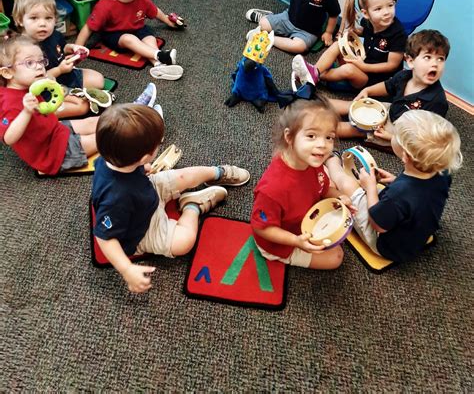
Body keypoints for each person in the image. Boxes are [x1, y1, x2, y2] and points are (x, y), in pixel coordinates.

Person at [92, 103, 251, 293]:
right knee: (184, 242)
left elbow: (123, 169)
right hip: (141, 230)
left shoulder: (109, 157)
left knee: (184, 175)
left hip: (145, 190)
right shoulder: (114, 200)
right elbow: (104, 238)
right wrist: (126, 268)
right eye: (158, 144)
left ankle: (217, 172)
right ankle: (193, 207)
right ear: (144, 156)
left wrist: (140, 169)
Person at [326, 110, 462, 262]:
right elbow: (420, 193)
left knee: (349, 185)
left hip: (386, 245)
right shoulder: (442, 173)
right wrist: (395, 180)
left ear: (405, 156)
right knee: (380, 192)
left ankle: (332, 161)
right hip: (414, 236)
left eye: (395, 135)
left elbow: (378, 225)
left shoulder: (399, 193)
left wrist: (370, 187)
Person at [250, 87, 351, 270]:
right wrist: (296, 241)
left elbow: (324, 188)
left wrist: (339, 198)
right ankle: (280, 257)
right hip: (279, 243)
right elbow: (261, 228)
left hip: (305, 218)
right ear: (289, 137)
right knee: (336, 257)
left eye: (329, 137)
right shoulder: (272, 189)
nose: (322, 145)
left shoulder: (312, 161)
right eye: (311, 136)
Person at [329, 29, 450, 145]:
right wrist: (368, 90)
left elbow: (425, 138)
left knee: (356, 128)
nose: (435, 64)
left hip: (399, 133)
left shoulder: (437, 101)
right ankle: (316, 105)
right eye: (428, 57)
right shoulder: (404, 76)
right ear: (410, 61)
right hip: (391, 110)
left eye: (440, 59)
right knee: (355, 105)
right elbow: (387, 86)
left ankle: (319, 128)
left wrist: (392, 138)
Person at [0, 35, 98, 175]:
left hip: (54, 129)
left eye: (41, 61)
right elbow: (9, 138)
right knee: (102, 139)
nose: (39, 66)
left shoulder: (29, 85)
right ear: (7, 72)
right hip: (51, 153)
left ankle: (124, 121)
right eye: (30, 63)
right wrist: (26, 112)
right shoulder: (9, 103)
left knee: (92, 122)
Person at [75, 0, 183, 80]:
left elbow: (154, 11)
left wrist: (168, 21)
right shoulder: (105, 5)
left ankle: (158, 65)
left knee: (149, 38)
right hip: (114, 34)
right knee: (129, 38)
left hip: (137, 27)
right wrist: (77, 50)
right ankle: (160, 55)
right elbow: (88, 28)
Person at [12, 0, 105, 118]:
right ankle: (40, 115)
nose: (43, 23)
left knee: (99, 80)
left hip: (64, 75)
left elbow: (62, 47)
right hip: (44, 90)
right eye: (34, 18)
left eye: (48, 18)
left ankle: (70, 93)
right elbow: (34, 82)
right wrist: (59, 70)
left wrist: (72, 48)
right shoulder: (23, 49)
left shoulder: (52, 34)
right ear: (20, 20)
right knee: (81, 107)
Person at [292, 0, 406, 90]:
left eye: (390, 5)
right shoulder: (369, 23)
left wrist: (364, 67)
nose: (386, 12)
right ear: (366, 14)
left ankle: (314, 75)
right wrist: (354, 31)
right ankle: (314, 71)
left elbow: (392, 65)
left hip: (373, 81)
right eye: (378, 9)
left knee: (348, 69)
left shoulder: (398, 33)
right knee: (338, 45)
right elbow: (365, 31)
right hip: (362, 63)